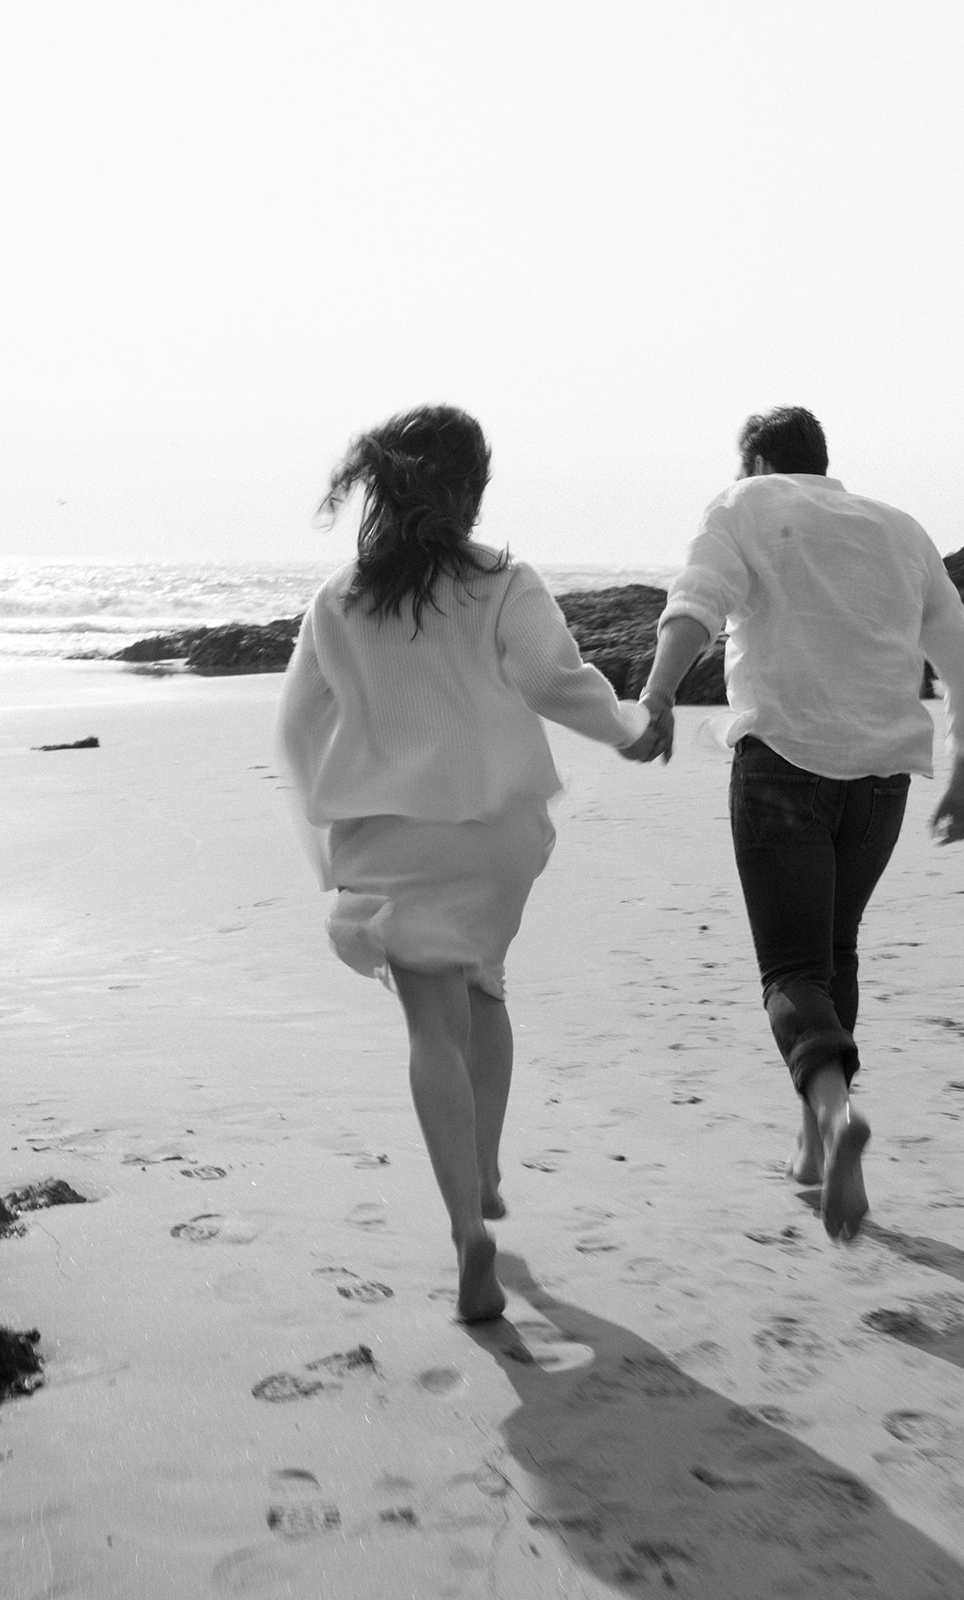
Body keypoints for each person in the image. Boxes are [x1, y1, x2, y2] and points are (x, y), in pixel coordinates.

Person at [278, 405, 659, 1321]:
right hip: (496, 838)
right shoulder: (504, 581)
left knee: (429, 1029)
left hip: (389, 840)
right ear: (474, 489)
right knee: (483, 986)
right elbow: (552, 680)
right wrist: (629, 729)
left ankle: (466, 1230)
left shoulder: (337, 601)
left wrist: (322, 846)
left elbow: (295, 730)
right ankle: (486, 1165)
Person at [641, 407, 964, 1240]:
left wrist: (657, 693)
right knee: (835, 950)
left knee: (791, 969)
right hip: (880, 784)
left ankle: (836, 1120)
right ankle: (812, 1146)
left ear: (759, 461)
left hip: (783, 765)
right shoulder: (900, 529)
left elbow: (698, 602)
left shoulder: (746, 505)